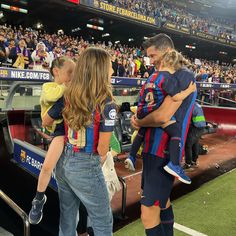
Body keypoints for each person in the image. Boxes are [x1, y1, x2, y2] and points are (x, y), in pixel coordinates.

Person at [131, 33, 197, 236]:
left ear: (167, 51)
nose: (151, 61)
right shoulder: (163, 76)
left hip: (163, 152)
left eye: (153, 55)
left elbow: (162, 117)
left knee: (148, 213)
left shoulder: (183, 76)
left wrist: (140, 121)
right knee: (162, 202)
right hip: (154, 150)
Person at [50, 47, 115, 236]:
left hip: (63, 161)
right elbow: (102, 149)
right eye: (110, 67)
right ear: (101, 70)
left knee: (68, 218)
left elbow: (46, 120)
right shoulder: (106, 102)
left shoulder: (68, 95)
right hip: (86, 163)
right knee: (103, 221)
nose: (112, 71)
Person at [125, 49, 196, 185]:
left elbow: (141, 96)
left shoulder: (152, 76)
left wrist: (139, 115)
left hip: (143, 110)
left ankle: (132, 156)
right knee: (176, 133)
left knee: (141, 132)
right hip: (155, 112)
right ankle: (174, 164)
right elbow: (176, 97)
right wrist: (189, 90)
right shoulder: (168, 78)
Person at [28, 56, 76, 225]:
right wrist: (68, 87)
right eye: (70, 72)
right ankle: (38, 199)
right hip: (60, 129)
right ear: (56, 71)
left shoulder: (70, 89)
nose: (73, 76)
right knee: (48, 166)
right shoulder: (49, 87)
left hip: (72, 128)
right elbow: (53, 97)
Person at [184, 102, 207, 169]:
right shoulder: (196, 104)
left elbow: (187, 117)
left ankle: (188, 164)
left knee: (188, 145)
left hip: (196, 127)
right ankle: (194, 161)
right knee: (195, 144)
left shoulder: (190, 105)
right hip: (200, 126)